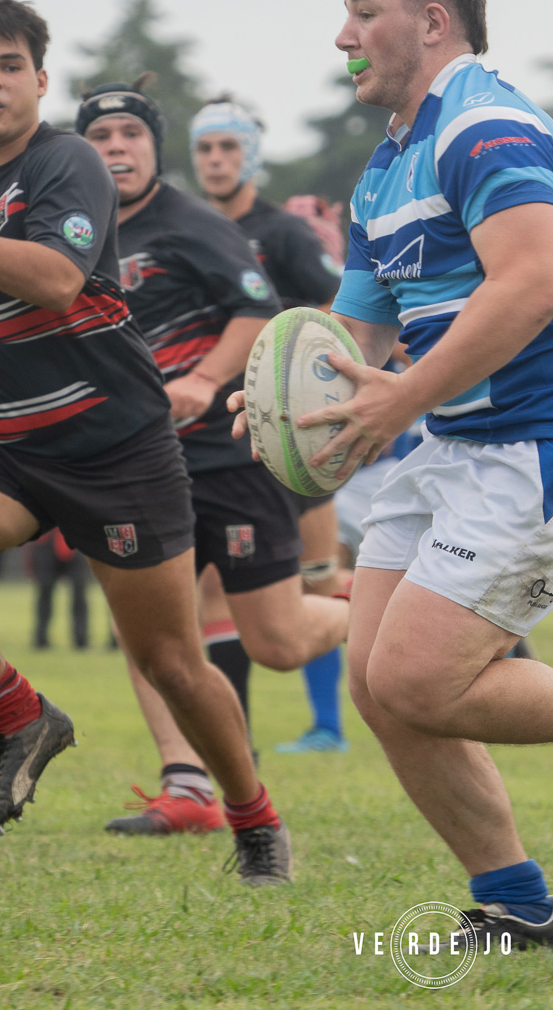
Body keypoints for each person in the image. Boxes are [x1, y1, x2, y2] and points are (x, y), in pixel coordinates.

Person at [237, 0, 553, 950]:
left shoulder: (486, 128)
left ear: (432, 21)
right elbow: (352, 337)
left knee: (414, 677)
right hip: (453, 448)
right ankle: (519, 905)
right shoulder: (389, 165)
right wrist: (279, 404)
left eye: (364, 12)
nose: (343, 36)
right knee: (379, 684)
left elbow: (533, 283)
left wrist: (397, 400)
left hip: (541, 445)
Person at [0, 0, 285, 883]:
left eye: (11, 65)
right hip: (4, 443)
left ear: (40, 81)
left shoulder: (70, 163)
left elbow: (53, 278)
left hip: (116, 446)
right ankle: (22, 715)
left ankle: (255, 818)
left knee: (171, 662)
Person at [80, 76, 345, 837]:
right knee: (150, 628)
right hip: (136, 461)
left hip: (225, 459)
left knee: (280, 642)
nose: (116, 149)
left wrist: (202, 378)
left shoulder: (192, 221)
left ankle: (366, 609)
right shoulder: (73, 230)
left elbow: (259, 305)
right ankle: (187, 783)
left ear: (154, 149)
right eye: (100, 138)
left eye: (130, 135)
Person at [192, 96, 352, 754]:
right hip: (218, 435)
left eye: (228, 147)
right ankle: (243, 742)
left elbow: (337, 303)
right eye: (204, 149)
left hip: (288, 434)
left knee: (315, 582)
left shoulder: (281, 232)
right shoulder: (191, 228)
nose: (216, 160)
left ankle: (329, 725)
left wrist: (306, 375)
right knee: (211, 590)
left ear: (252, 154)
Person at [28, 529, 89, 650]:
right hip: (47, 537)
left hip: (75, 537)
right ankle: (41, 638)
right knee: (44, 590)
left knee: (79, 591)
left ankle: (81, 639)